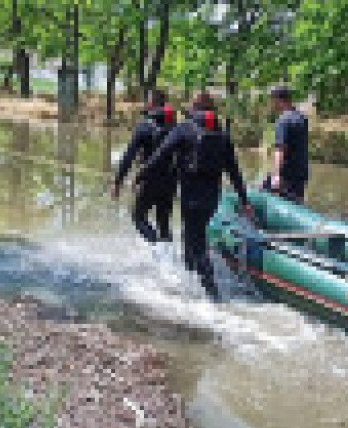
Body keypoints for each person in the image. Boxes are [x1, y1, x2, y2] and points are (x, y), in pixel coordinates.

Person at [139, 91, 254, 300]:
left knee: (196, 241)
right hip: (212, 198)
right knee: (191, 235)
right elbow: (234, 171)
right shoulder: (222, 135)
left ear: (194, 108)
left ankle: (212, 295)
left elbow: (160, 155)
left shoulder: (184, 129)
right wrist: (244, 200)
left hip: (191, 196)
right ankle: (190, 280)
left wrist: (141, 175)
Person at [111, 89, 179, 247]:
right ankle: (170, 256)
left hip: (149, 180)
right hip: (170, 181)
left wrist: (118, 182)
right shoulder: (176, 127)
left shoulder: (145, 126)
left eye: (147, 101)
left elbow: (129, 156)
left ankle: (157, 248)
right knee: (164, 222)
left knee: (138, 217)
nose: (145, 104)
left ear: (152, 104)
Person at [264, 86, 309, 203]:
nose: (272, 104)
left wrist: (276, 175)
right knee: (296, 204)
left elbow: (280, 149)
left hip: (287, 175)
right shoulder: (301, 118)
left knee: (264, 194)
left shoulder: (283, 120)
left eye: (273, 100)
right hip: (301, 173)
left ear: (279, 100)